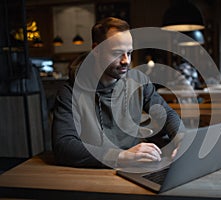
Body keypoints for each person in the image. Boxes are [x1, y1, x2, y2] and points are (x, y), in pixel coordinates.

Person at [52, 17, 184, 168]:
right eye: (117, 53)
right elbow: (64, 147)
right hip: (92, 174)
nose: (126, 61)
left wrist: (181, 139)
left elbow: (166, 114)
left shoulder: (138, 81)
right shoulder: (69, 92)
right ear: (96, 50)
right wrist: (122, 156)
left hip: (133, 169)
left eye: (129, 53)